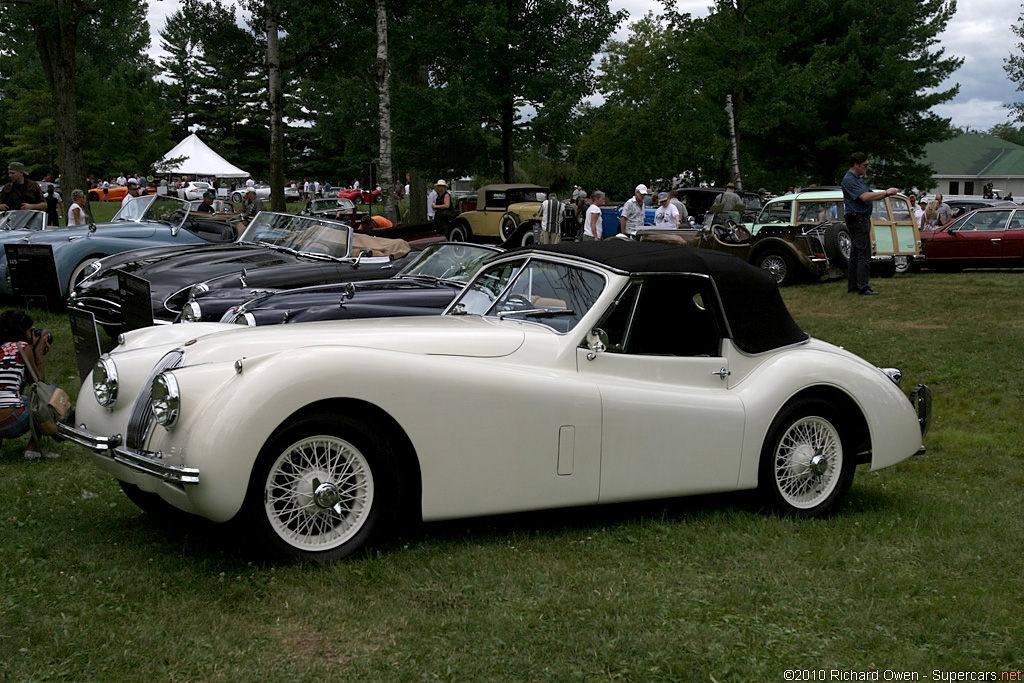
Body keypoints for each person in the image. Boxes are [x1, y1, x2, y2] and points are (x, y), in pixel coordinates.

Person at [0, 310, 56, 459]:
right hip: (12, 422)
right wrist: (37, 353)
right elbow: (39, 386)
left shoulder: (2, 349)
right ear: (21, 331)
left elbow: (15, 388)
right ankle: (33, 450)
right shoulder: (22, 347)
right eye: (31, 331)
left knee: (6, 397)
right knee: (50, 395)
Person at [842, 152, 898, 296]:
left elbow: (872, 194)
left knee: (856, 253)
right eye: (865, 165)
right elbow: (865, 197)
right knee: (863, 254)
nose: (867, 168)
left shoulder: (858, 180)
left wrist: (885, 193)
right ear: (856, 165)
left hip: (861, 218)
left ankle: (854, 285)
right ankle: (863, 287)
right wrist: (887, 192)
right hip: (858, 219)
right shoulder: (849, 179)